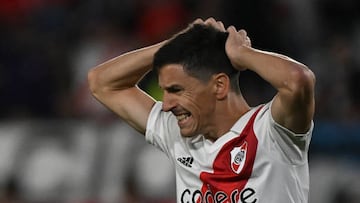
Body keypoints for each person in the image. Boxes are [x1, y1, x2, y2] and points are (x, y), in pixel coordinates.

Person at [88, 17, 316, 203]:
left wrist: (241, 54)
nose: (166, 105)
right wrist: (175, 46)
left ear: (219, 86)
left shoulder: (272, 134)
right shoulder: (178, 133)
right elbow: (101, 83)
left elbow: (298, 80)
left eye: (177, 90)